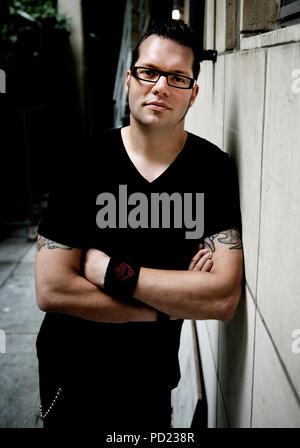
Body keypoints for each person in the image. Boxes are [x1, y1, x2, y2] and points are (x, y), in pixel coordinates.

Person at [35, 19, 243, 429]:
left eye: (178, 78)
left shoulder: (212, 169)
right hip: (70, 374)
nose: (161, 87)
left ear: (193, 93)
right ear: (130, 79)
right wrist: (168, 306)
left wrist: (107, 272)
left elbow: (221, 298)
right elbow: (52, 288)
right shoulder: (83, 162)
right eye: (149, 72)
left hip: (152, 381)